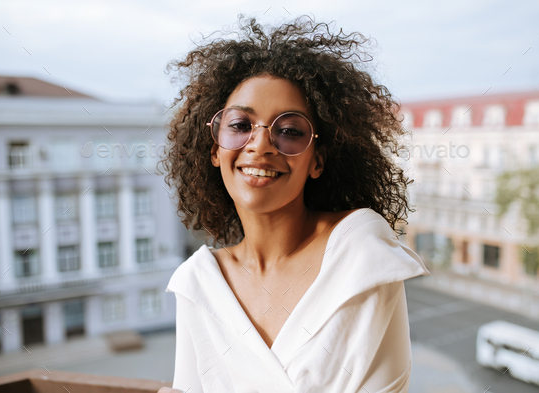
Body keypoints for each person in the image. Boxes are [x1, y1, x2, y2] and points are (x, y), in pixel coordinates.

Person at [156, 14, 430, 393]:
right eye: (239, 126)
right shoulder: (198, 283)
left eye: (288, 131)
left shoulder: (360, 250)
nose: (260, 144)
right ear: (215, 150)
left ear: (317, 159)